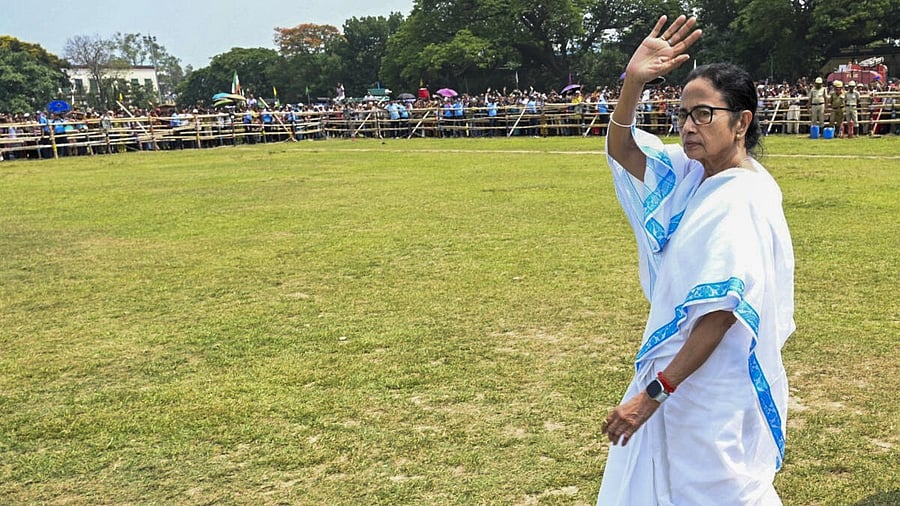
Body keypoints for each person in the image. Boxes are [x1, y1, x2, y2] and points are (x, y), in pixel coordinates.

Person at [599, 14, 795, 505]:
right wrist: (634, 81)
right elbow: (622, 148)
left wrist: (653, 394)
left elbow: (720, 313)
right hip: (685, 378)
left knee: (718, 490)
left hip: (711, 385)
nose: (688, 126)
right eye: (683, 114)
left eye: (703, 114)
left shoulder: (741, 197)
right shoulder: (693, 175)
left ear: (741, 122)